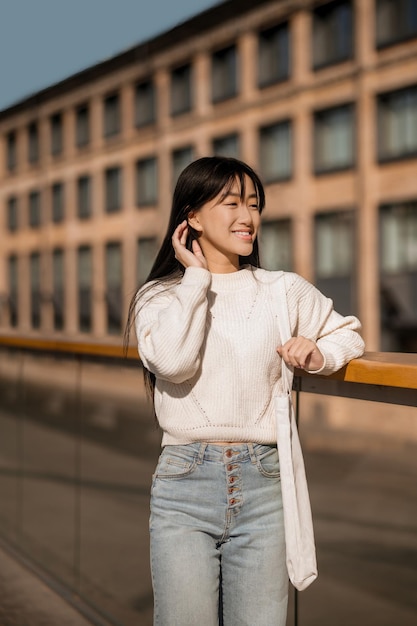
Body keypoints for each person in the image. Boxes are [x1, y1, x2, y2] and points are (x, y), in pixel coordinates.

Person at [127, 156, 365, 626]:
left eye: (253, 205)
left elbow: (350, 334)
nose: (247, 217)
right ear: (191, 216)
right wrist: (196, 279)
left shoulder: (282, 290)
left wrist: (317, 354)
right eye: (231, 203)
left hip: (264, 485)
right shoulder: (158, 297)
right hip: (184, 485)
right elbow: (173, 364)